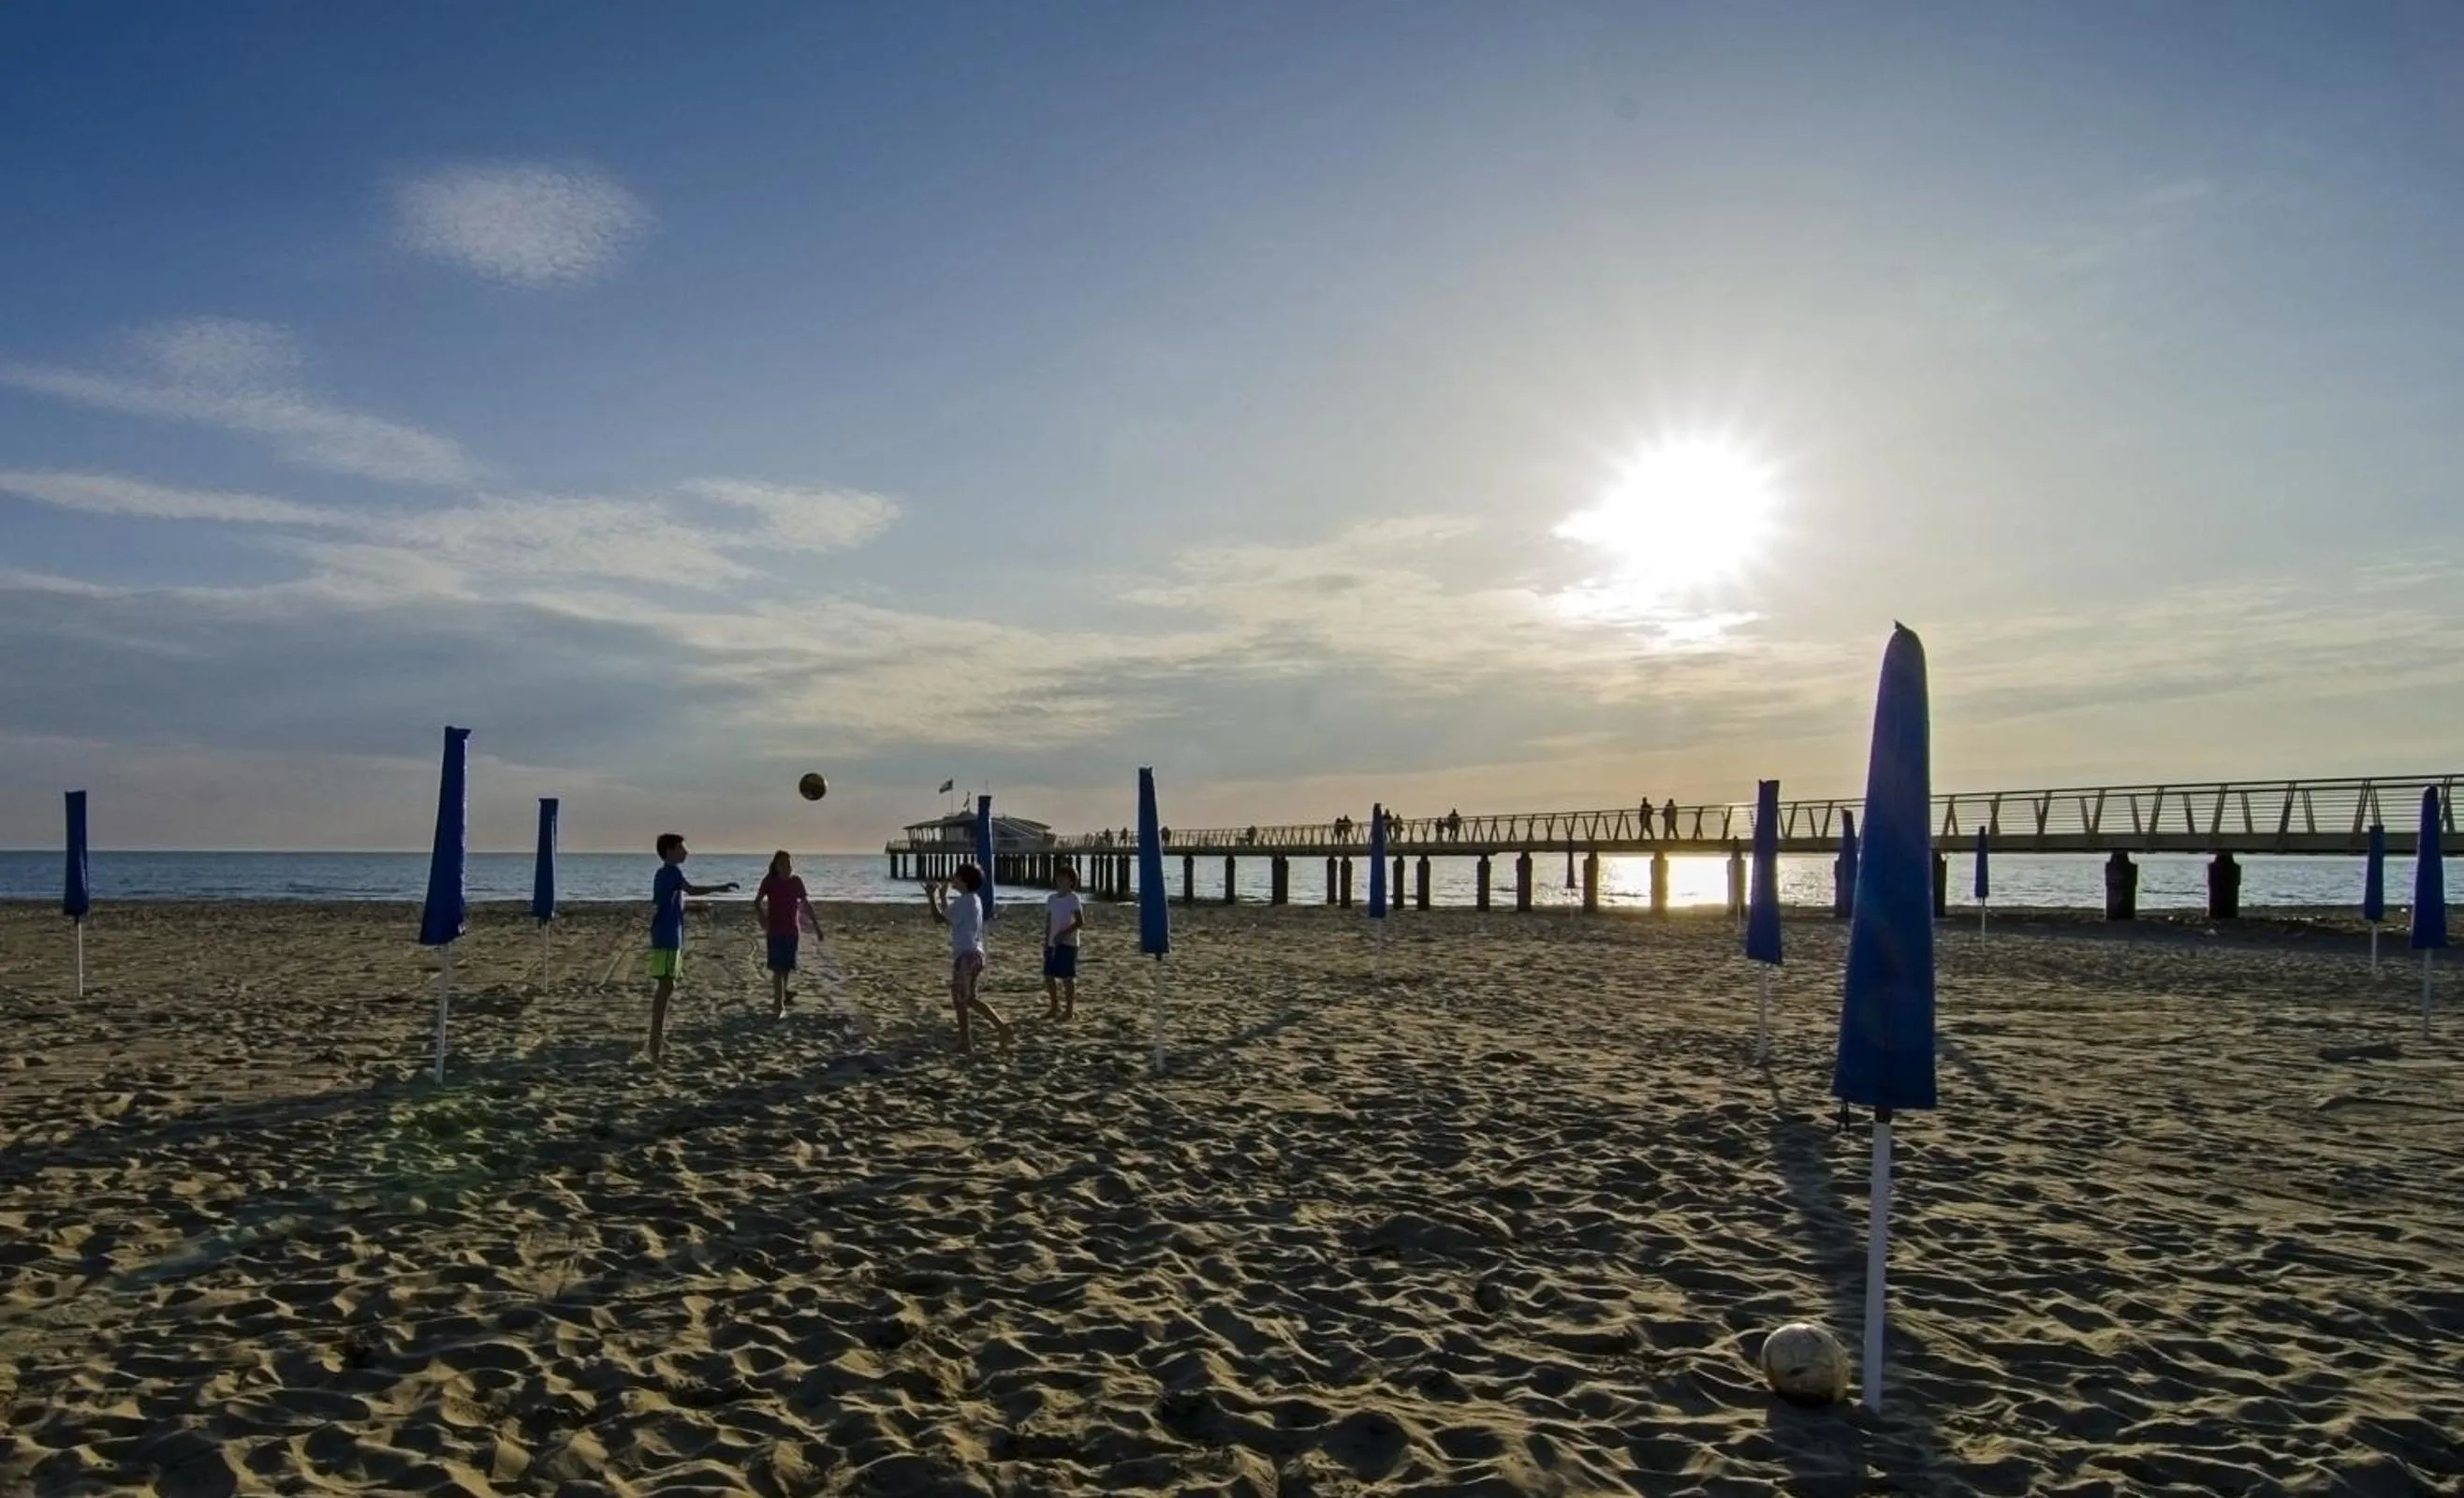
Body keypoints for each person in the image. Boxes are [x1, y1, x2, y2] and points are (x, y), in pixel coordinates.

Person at [646, 832, 739, 1065]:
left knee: (667, 985)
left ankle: (657, 1037)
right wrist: (721, 887)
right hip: (667, 937)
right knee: (665, 986)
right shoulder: (672, 873)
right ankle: (655, 1039)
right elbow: (691, 889)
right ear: (670, 851)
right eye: (681, 848)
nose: (685, 852)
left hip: (666, 935)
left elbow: (669, 902)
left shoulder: (664, 874)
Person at [926, 864, 1011, 1054]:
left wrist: (931, 896)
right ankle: (1001, 1027)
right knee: (970, 999)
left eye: (956, 877)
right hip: (976, 954)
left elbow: (939, 919)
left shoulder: (964, 902)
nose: (952, 879)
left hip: (965, 955)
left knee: (960, 1000)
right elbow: (950, 918)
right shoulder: (973, 900)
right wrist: (942, 897)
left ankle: (966, 1042)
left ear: (963, 881)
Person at [754, 850, 823, 1021]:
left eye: (789, 864)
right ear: (776, 866)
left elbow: (805, 905)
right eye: (783, 864)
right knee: (778, 969)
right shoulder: (769, 881)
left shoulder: (796, 882)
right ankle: (779, 1006)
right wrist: (762, 917)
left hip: (792, 931)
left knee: (786, 968)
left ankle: (782, 995)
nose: (787, 867)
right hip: (775, 930)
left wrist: (817, 926)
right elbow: (757, 901)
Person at [1043, 864, 1086, 1020]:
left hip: (1068, 943)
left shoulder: (1073, 898)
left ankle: (1069, 1010)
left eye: (1064, 877)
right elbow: (1048, 922)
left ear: (1071, 881)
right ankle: (1054, 1007)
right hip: (1052, 942)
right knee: (1048, 976)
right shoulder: (1052, 898)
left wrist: (1064, 933)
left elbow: (1080, 921)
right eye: (1058, 877)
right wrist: (1046, 941)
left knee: (1067, 977)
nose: (1060, 879)